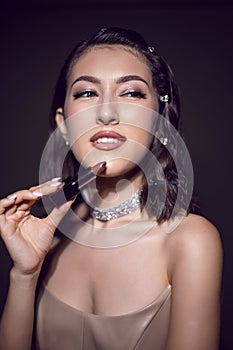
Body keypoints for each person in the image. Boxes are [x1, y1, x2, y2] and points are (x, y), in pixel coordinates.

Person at [0, 27, 222, 350]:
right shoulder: (48, 241)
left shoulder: (189, 241)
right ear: (62, 125)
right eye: (86, 93)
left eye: (131, 93)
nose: (106, 113)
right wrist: (24, 275)